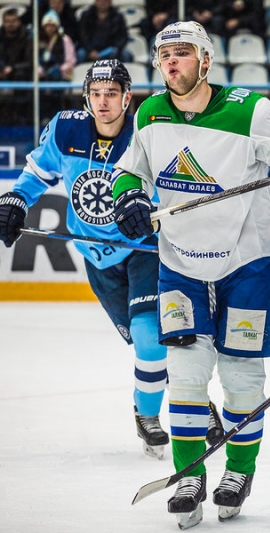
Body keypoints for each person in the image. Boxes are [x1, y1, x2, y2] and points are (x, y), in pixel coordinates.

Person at [110, 21, 270, 529]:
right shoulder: (150, 113)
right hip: (178, 263)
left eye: (182, 54)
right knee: (184, 375)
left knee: (241, 377)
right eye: (164, 56)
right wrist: (129, 198)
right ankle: (189, 475)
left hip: (247, 263)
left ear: (205, 60)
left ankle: (238, 472)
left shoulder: (252, 109)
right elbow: (127, 171)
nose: (171, 63)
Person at [0, 60, 176, 460]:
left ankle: (151, 416)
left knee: (152, 340)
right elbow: (38, 171)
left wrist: (152, 205)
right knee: (147, 345)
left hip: (144, 250)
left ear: (127, 98)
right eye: (95, 94)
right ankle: (174, 390)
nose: (103, 102)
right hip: (96, 259)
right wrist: (15, 199)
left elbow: (173, 186)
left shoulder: (146, 133)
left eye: (112, 93)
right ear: (86, 97)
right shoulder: (65, 128)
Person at [0, 7, 33, 125]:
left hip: (19, 73)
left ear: (19, 22)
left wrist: (12, 68)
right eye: (8, 21)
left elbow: (30, 61)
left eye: (13, 21)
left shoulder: (26, 38)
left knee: (21, 77)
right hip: (2, 72)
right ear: (3, 22)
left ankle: (20, 120)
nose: (10, 24)